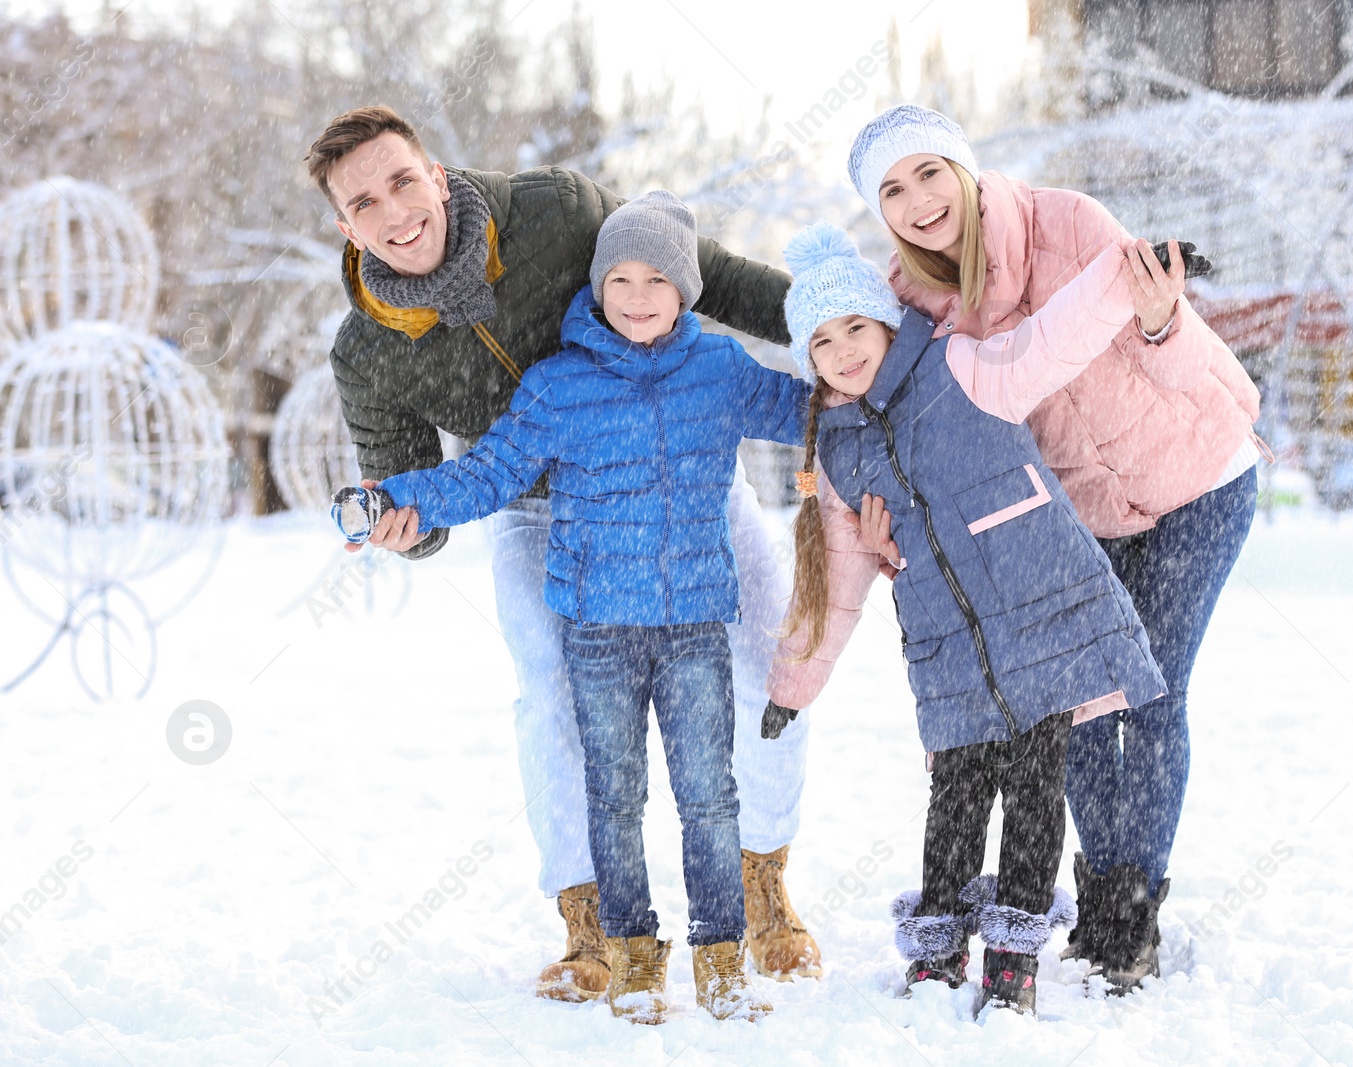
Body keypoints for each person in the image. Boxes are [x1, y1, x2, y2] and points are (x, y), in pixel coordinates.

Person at [307, 106, 822, 1003]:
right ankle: (589, 923)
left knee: (772, 643)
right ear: (346, 227)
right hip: (532, 501)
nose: (394, 210)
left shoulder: (554, 212)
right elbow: (417, 492)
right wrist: (406, 526)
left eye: (401, 179)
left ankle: (762, 881)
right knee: (550, 685)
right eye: (364, 202)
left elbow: (706, 275)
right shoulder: (368, 352)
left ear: (435, 171)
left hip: (678, 470)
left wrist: (836, 328)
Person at [845, 104, 1267, 993]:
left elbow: (1174, 351)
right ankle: (1107, 884)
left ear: (962, 169)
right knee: (1071, 709)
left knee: (1153, 689)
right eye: (892, 188)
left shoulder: (1066, 223)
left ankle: (1127, 912)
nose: (918, 200)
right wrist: (887, 520)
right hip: (1074, 519)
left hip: (1197, 480)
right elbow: (914, 423)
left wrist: (1160, 322)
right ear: (878, 210)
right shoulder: (911, 305)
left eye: (928, 173)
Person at [761, 223, 1169, 1017]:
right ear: (807, 358)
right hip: (948, 652)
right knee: (954, 798)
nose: (844, 350)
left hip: (1041, 616)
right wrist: (794, 683)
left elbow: (1054, 339)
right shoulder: (839, 451)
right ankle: (938, 951)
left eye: (854, 327)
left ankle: (1013, 954)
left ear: (885, 323)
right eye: (821, 340)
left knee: (1034, 789)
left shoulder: (960, 366)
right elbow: (838, 583)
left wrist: (1132, 274)